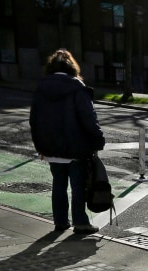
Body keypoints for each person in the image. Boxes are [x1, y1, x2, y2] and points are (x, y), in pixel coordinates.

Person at [30, 49, 105, 234]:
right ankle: (80, 222)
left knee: (58, 184)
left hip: (50, 148)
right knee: (78, 186)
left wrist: (40, 146)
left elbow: (34, 120)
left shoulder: (41, 88)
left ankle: (60, 222)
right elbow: (89, 118)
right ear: (72, 67)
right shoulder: (77, 88)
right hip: (75, 147)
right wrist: (98, 140)